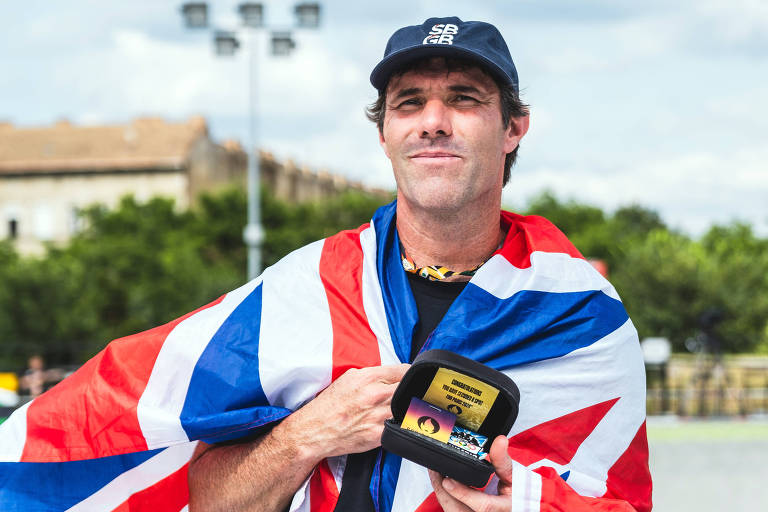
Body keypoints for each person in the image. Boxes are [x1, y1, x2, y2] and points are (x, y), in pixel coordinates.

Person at [0, 17, 650, 512]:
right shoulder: (303, 291)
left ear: (514, 128)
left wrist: (530, 502)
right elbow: (201, 496)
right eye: (408, 103)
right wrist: (305, 435)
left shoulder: (581, 318)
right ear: (384, 133)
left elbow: (617, 497)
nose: (433, 122)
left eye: (464, 98)